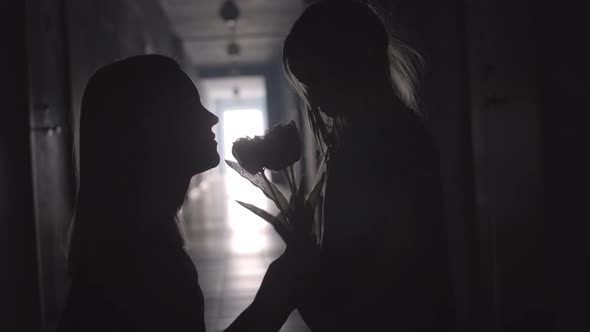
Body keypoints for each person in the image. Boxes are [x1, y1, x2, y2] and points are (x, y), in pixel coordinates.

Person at [226, 1, 453, 331]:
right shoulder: (375, 138)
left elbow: (384, 270)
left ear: (353, 64)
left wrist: (304, 276)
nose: (314, 100)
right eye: (307, 86)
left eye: (318, 79)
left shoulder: (384, 145)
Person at [57, 55, 219, 332]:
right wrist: (271, 302)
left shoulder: (125, 242)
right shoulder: (141, 263)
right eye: (191, 107)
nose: (211, 117)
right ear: (153, 130)